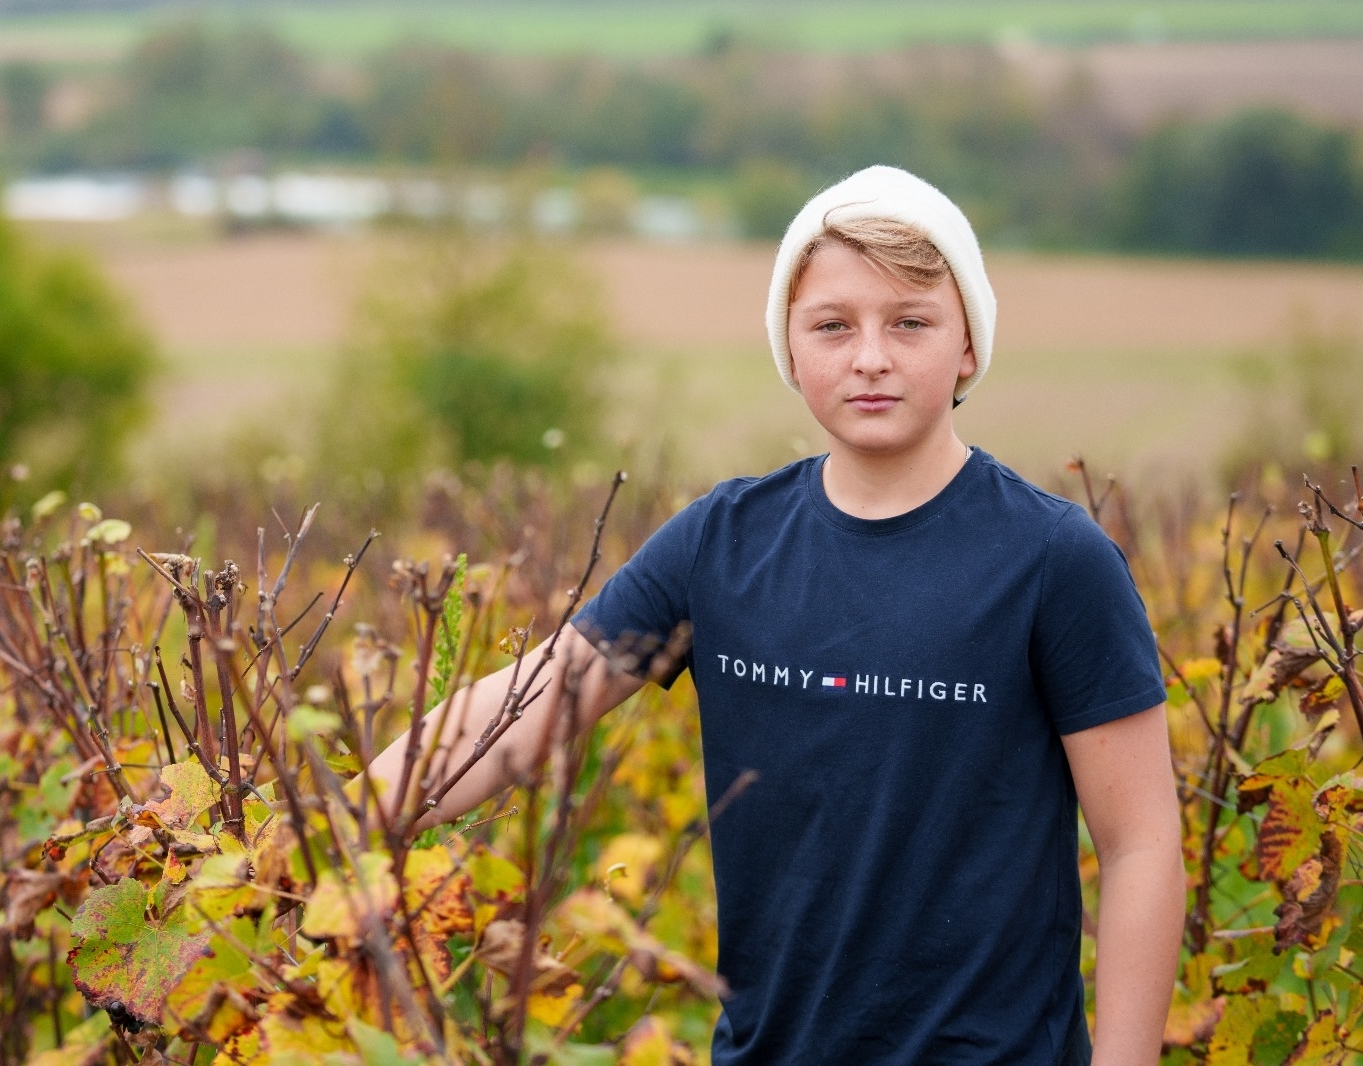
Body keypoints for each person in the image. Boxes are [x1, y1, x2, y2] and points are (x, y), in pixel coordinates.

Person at [368, 165, 1184, 1065]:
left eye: (909, 322)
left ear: (967, 347)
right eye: (832, 325)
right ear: (790, 352)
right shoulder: (720, 542)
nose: (870, 356)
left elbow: (1140, 846)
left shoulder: (1054, 560)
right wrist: (349, 817)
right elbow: (535, 701)